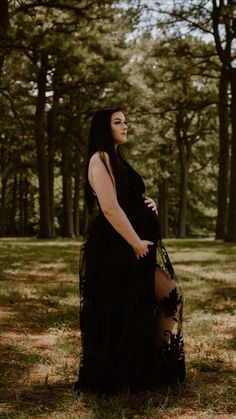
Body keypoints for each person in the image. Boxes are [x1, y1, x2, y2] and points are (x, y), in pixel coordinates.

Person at [74, 108, 185, 395]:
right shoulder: (100, 158)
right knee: (127, 307)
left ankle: (152, 365)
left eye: (126, 122)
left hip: (134, 245)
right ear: (103, 126)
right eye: (118, 122)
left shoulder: (116, 158)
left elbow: (126, 198)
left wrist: (149, 205)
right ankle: (129, 372)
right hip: (117, 247)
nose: (126, 126)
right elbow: (110, 207)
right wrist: (136, 241)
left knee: (166, 297)